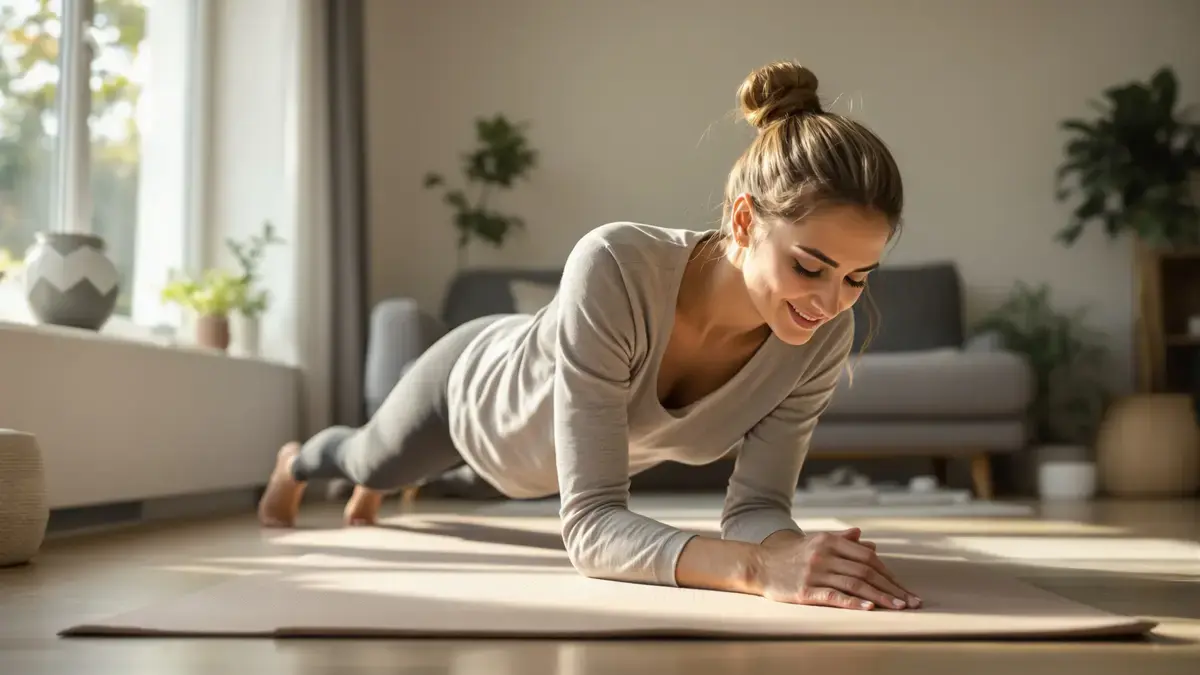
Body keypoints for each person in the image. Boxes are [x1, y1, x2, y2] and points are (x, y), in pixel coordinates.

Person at [258, 59, 919, 612]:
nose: (832, 302)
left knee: (384, 471)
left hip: (534, 426)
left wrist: (788, 553)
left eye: (859, 277)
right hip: (470, 393)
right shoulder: (616, 264)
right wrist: (754, 572)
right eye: (810, 266)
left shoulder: (823, 336)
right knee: (366, 460)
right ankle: (298, 460)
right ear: (744, 221)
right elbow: (593, 527)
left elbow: (758, 507)